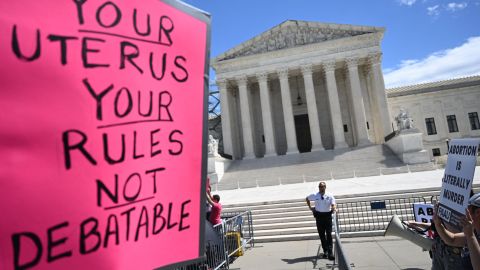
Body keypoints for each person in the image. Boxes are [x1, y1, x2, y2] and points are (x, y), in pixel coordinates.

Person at [433, 192, 480, 270]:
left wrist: (470, 235)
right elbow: (451, 239)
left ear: (478, 212)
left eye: (468, 209)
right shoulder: (475, 233)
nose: (465, 213)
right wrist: (438, 224)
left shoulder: (472, 234)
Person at [306, 181, 337, 260]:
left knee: (329, 234)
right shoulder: (315, 195)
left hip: (327, 216)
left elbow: (333, 204)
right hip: (319, 217)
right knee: (322, 235)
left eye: (322, 186)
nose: (321, 188)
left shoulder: (330, 195)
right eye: (320, 186)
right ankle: (325, 251)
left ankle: (330, 252)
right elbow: (307, 198)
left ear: (325, 187)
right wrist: (310, 208)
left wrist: (333, 208)